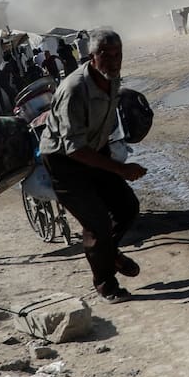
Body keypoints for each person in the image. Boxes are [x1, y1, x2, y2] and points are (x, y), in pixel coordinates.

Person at [38, 28, 145, 304]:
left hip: (95, 149)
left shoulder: (112, 79)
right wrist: (121, 169)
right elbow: (73, 148)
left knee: (127, 207)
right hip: (64, 160)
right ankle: (106, 284)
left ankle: (108, 253)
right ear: (91, 57)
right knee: (96, 223)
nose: (113, 61)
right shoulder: (74, 90)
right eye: (106, 55)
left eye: (118, 54)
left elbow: (104, 123)